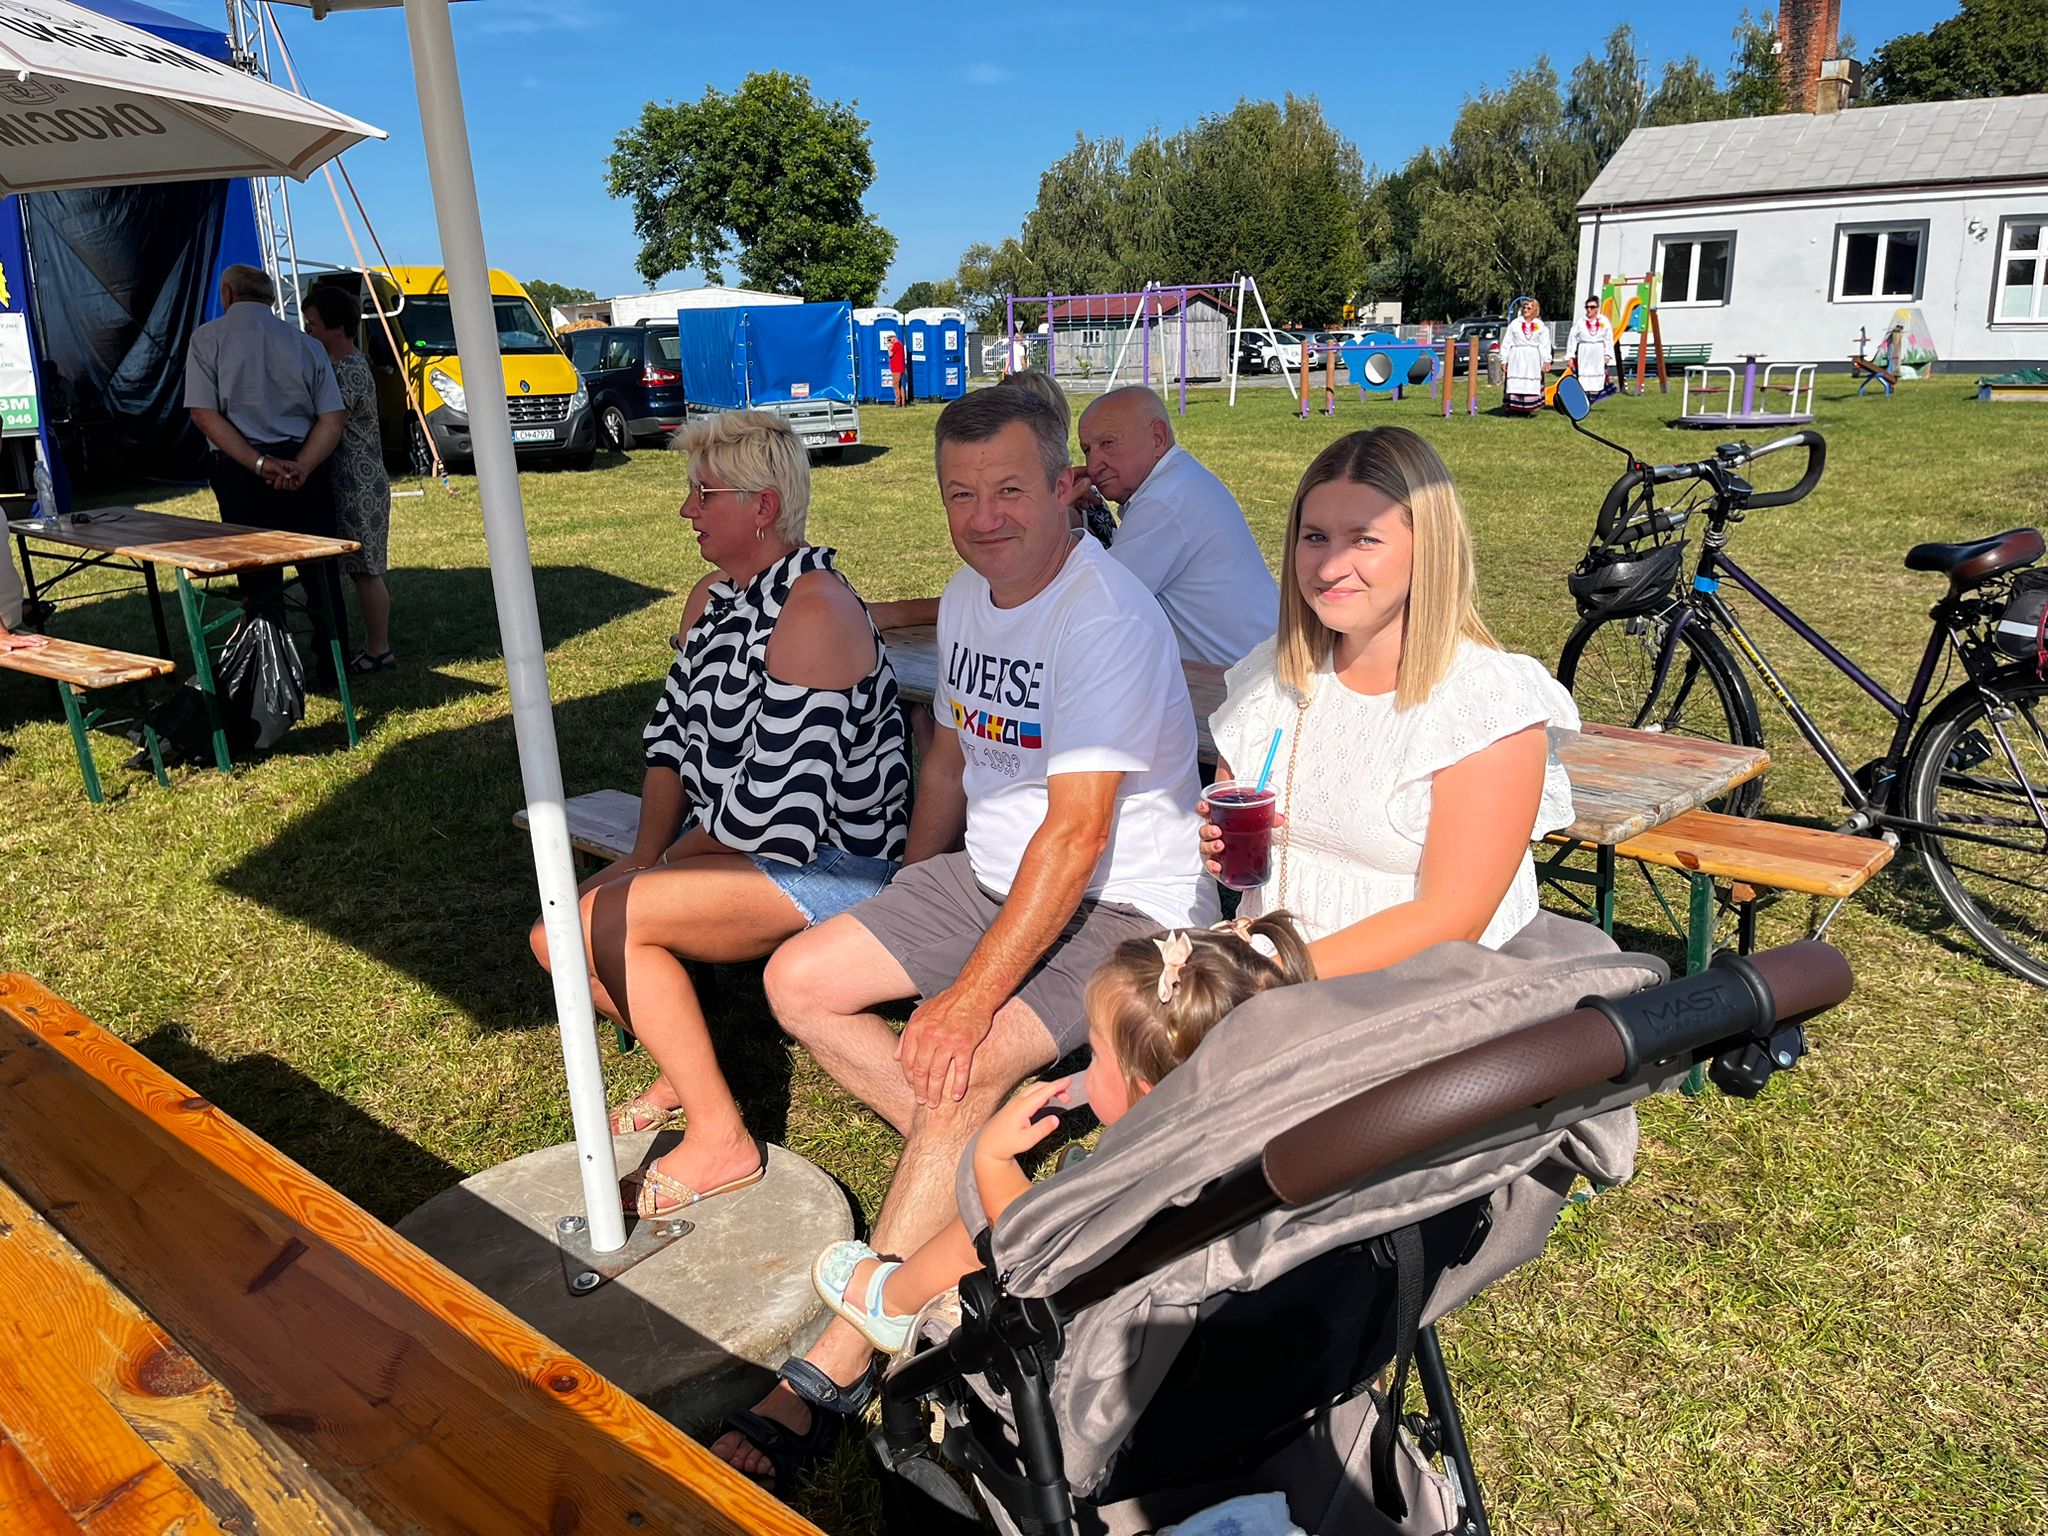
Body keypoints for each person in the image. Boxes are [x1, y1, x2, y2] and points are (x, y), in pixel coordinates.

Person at [712, 386, 1216, 1490]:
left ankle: (840, 1360)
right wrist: (906, 890)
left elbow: (1076, 838)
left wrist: (963, 1001)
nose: (983, 518)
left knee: (957, 1059)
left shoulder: (1102, 616)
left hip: (1122, 907)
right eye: (960, 494)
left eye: (1009, 491)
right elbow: (948, 756)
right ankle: (984, 1180)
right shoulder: (965, 595)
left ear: (1065, 488)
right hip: (987, 877)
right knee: (799, 981)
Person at [528, 410, 910, 1219]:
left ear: (762, 507)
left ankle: (721, 1139)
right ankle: (684, 1071)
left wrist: (659, 869)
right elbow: (671, 739)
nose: (686, 509)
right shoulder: (713, 600)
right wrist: (644, 854)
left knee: (604, 921)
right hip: (740, 841)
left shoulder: (815, 610)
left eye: (704, 494)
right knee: (554, 936)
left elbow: (772, 811)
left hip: (830, 863)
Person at [810, 913, 1314, 1352]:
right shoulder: (1258, 1142)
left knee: (982, 1224)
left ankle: (889, 1300)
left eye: (1096, 1055)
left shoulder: (1129, 1187)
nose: (1086, 1071)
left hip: (1085, 1332)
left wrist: (992, 1160)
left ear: (1145, 1090)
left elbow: (1029, 1245)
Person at [1202, 427, 1580, 979]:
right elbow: (1242, 838)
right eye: (1315, 537)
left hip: (1422, 993)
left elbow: (1450, 920)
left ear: (1429, 547)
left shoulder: (1485, 703)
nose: (1329, 567)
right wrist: (1220, 848)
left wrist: (1270, 976)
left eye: (1364, 540)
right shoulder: (1270, 680)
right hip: (1276, 977)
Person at [185, 263, 349, 676]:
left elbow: (204, 414)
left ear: (227, 294)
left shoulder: (207, 339)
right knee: (320, 572)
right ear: (272, 299)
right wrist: (301, 466)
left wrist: (259, 464)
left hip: (242, 471)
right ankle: (335, 664)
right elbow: (332, 418)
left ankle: (269, 671)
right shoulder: (306, 345)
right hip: (304, 466)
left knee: (259, 578)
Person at [1077, 385, 1277, 667]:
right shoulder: (1179, 479)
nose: (1093, 465)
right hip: (1252, 669)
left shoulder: (1164, 501)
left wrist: (1052, 512)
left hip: (1240, 684)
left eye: (1108, 443)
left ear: (1157, 438)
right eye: (1087, 450)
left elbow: (1093, 606)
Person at [302, 286, 396, 673]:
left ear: (337, 328)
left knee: (365, 569)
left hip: (360, 484)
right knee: (360, 569)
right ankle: (375, 646)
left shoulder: (349, 371)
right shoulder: (337, 367)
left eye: (313, 324)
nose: (307, 330)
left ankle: (379, 649)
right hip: (349, 481)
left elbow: (329, 421)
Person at [1499, 298, 1550, 414]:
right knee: (1516, 382)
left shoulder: (1540, 325)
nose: (1526, 310)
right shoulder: (1515, 324)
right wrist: (1504, 359)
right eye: (1524, 308)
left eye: (1529, 308)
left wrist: (1546, 360)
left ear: (1534, 310)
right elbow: (1507, 342)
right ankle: (1513, 408)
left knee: (1529, 382)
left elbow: (1545, 344)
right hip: (1516, 356)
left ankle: (1527, 409)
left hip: (1532, 358)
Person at [1567, 296, 1617, 400]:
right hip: (1584, 351)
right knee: (1584, 377)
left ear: (1597, 308)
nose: (1589, 309)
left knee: (1597, 377)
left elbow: (1608, 339)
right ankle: (1584, 399)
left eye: (1592, 307)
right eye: (1587, 307)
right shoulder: (1581, 322)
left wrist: (1607, 354)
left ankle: (1594, 398)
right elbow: (1572, 337)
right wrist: (1571, 356)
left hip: (1598, 351)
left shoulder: (1604, 321)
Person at [889, 328, 909, 408]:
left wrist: (888, 347)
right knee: (900, 386)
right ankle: (903, 403)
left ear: (893, 338)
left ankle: (898, 402)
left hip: (896, 369)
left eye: (889, 339)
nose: (889, 341)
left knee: (895, 385)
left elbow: (890, 354)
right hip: (900, 368)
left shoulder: (896, 345)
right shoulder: (900, 344)